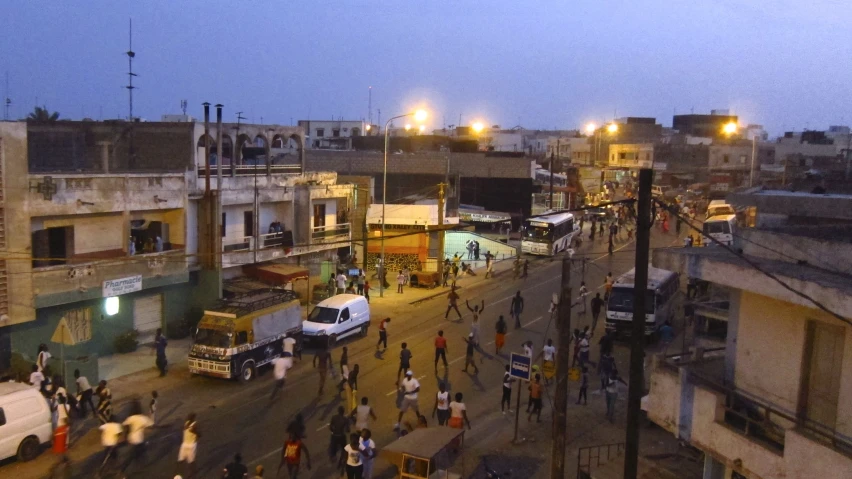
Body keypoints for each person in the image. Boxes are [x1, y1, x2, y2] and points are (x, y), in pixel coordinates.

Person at [122, 401, 154, 474]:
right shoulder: (142, 418)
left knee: (137, 452)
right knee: (135, 454)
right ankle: (123, 470)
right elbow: (151, 425)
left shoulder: (131, 418)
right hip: (139, 439)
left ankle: (139, 465)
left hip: (131, 438)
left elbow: (124, 424)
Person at [177, 413, 200, 478]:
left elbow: (199, 433)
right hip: (184, 444)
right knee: (180, 460)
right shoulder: (186, 423)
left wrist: (194, 431)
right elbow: (185, 429)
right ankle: (178, 475)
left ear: (192, 418)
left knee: (191, 461)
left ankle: (193, 475)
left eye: (189, 417)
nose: (187, 418)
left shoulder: (195, 424)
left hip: (191, 445)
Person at [329, 406, 351, 473]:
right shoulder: (345, 419)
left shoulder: (334, 417)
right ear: (343, 412)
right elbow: (347, 430)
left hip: (334, 436)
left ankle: (333, 457)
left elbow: (330, 427)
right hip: (341, 436)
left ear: (338, 411)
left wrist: (333, 431)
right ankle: (341, 463)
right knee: (344, 450)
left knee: (332, 449)